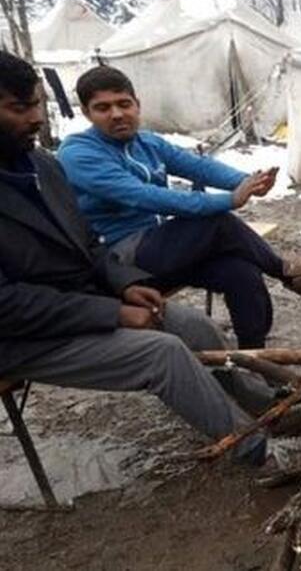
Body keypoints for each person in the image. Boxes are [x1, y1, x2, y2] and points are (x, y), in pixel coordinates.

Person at [0, 51, 268, 465]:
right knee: (163, 354)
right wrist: (112, 312)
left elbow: (87, 243)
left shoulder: (40, 165)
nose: (36, 118)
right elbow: (7, 306)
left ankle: (262, 405)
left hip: (88, 297)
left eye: (36, 103)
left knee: (195, 326)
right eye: (19, 109)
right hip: (25, 338)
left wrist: (125, 284)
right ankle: (254, 448)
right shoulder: (75, 155)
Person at [58, 66, 301, 349]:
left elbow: (197, 166)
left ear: (137, 104)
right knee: (217, 222)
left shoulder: (147, 142)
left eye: (123, 104)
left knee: (242, 272)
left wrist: (248, 181)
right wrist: (229, 199)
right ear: (87, 113)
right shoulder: (78, 153)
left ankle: (255, 357)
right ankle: (286, 271)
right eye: (103, 108)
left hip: (162, 252)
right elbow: (144, 196)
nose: (116, 114)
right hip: (120, 264)